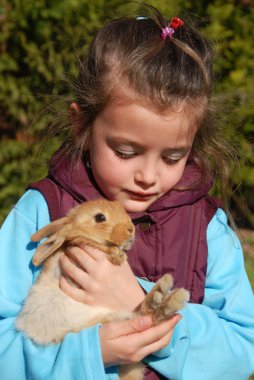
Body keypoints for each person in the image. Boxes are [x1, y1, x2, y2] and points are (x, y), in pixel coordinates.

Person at [0, 5, 253, 380]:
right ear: (80, 125)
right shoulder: (41, 210)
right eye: (125, 152)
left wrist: (141, 307)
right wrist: (92, 352)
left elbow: (242, 351)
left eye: (173, 156)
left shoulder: (207, 225)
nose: (148, 176)